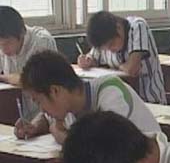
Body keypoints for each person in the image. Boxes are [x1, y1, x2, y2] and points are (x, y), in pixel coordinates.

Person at [14, 50, 160, 144]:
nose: (42, 109)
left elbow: (108, 148)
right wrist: (34, 127)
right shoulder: (67, 104)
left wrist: (64, 138)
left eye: (39, 101)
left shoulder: (112, 92)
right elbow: (47, 118)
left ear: (55, 91)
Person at [80, 11, 166, 104]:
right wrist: (86, 61)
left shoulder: (137, 27)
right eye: (106, 49)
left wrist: (118, 66)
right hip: (123, 103)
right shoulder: (104, 40)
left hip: (150, 101)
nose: (110, 50)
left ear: (118, 27)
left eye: (111, 44)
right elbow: (92, 58)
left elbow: (132, 69)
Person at [0, 5, 57, 118]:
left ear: (22, 33)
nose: (4, 50)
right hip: (20, 116)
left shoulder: (41, 42)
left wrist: (3, 77)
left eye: (7, 43)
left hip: (46, 116)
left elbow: (32, 81)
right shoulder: (3, 46)